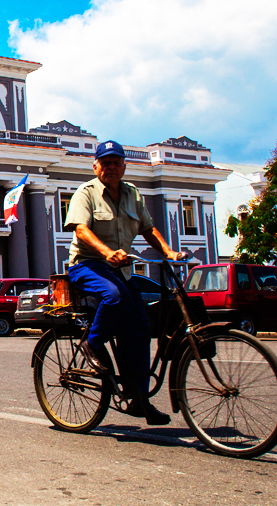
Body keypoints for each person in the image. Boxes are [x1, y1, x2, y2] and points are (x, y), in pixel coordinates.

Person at [63, 140, 185, 425]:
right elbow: (80, 230)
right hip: (87, 264)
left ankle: (138, 398)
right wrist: (107, 252)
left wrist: (169, 252)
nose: (111, 167)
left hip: (121, 269)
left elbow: (148, 229)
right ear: (96, 167)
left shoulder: (133, 194)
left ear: (124, 166)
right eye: (105, 163)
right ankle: (93, 344)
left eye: (116, 162)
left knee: (140, 329)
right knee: (115, 296)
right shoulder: (86, 192)